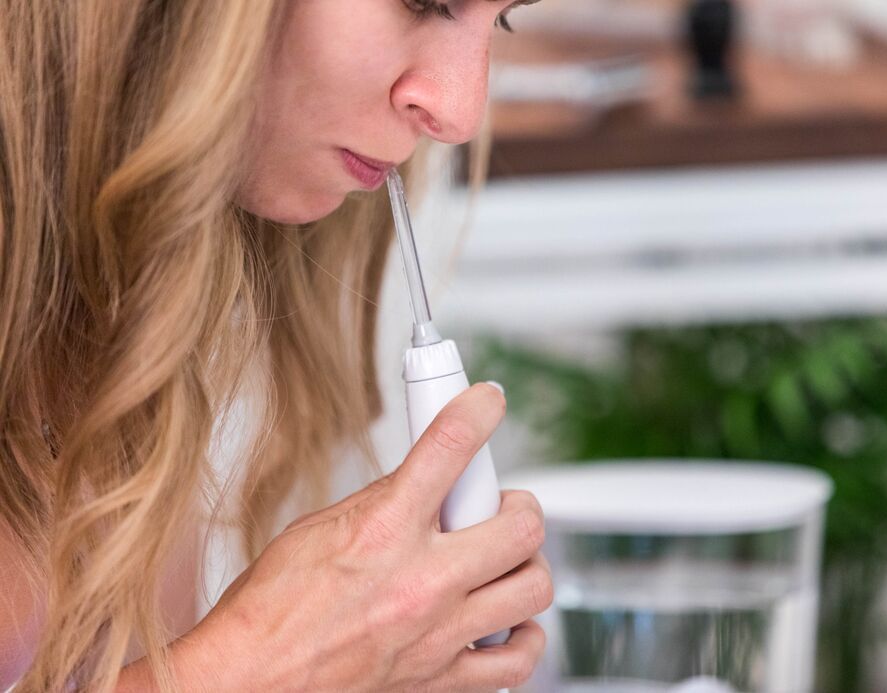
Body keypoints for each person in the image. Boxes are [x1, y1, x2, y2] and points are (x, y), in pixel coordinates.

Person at [0, 0, 551, 690]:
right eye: (424, 1)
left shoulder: (136, 328)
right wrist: (251, 665)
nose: (461, 112)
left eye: (499, 20)